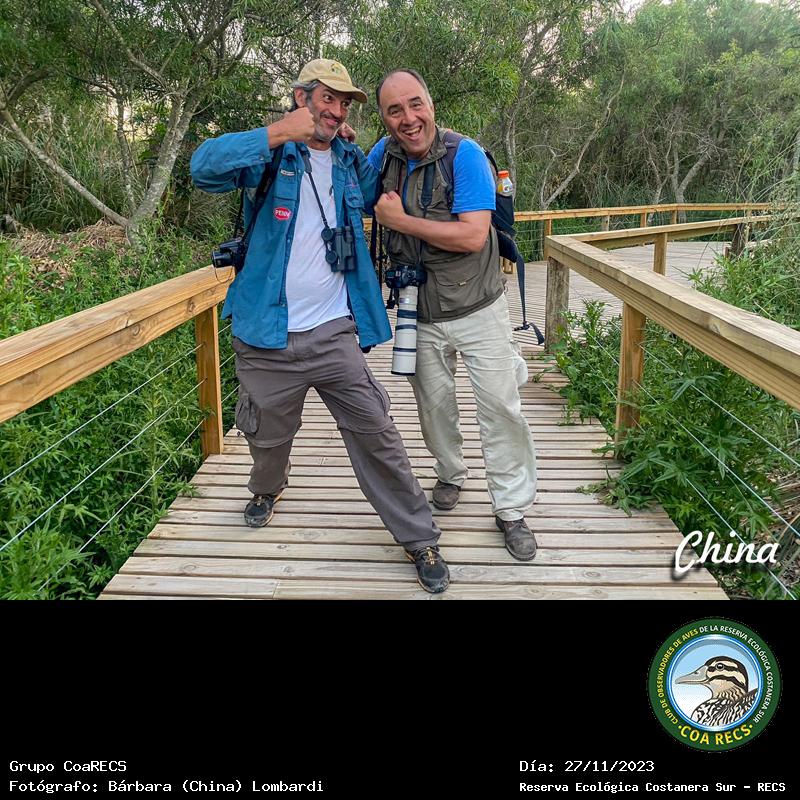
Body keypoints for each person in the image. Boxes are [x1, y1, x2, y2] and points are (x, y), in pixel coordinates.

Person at [190, 59, 449, 593]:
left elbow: (393, 172)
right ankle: (267, 488)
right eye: (327, 98)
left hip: (333, 333)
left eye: (343, 103)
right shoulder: (269, 154)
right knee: (266, 435)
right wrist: (279, 131)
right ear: (300, 97)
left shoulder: (351, 161)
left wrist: (426, 142)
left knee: (377, 433)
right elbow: (202, 168)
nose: (336, 110)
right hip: (265, 334)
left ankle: (420, 538)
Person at [368, 68, 538, 561]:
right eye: (394, 110)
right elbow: (347, 190)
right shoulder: (382, 156)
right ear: (384, 118)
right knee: (433, 406)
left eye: (414, 104)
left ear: (431, 104)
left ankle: (511, 509)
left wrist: (400, 221)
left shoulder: (464, 155)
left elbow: (472, 235)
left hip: (479, 306)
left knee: (501, 408)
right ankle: (450, 472)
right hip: (416, 308)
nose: (407, 118)